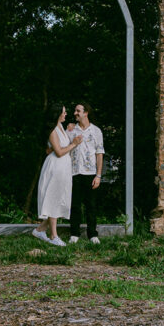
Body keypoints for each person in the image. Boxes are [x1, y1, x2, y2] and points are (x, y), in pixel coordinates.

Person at [32, 105, 82, 247]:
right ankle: (54, 235)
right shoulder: (53, 130)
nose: (66, 114)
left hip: (63, 167)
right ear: (57, 114)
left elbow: (53, 147)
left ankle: (40, 230)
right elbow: (59, 151)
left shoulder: (59, 126)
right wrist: (74, 144)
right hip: (56, 166)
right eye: (64, 112)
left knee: (59, 198)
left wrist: (68, 130)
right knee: (53, 199)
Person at [68, 102, 104, 244]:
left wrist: (98, 175)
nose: (75, 113)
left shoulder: (96, 131)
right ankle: (74, 234)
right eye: (75, 111)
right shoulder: (71, 130)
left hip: (90, 173)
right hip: (74, 172)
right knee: (75, 204)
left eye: (78, 111)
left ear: (86, 112)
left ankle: (92, 234)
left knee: (91, 205)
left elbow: (99, 153)